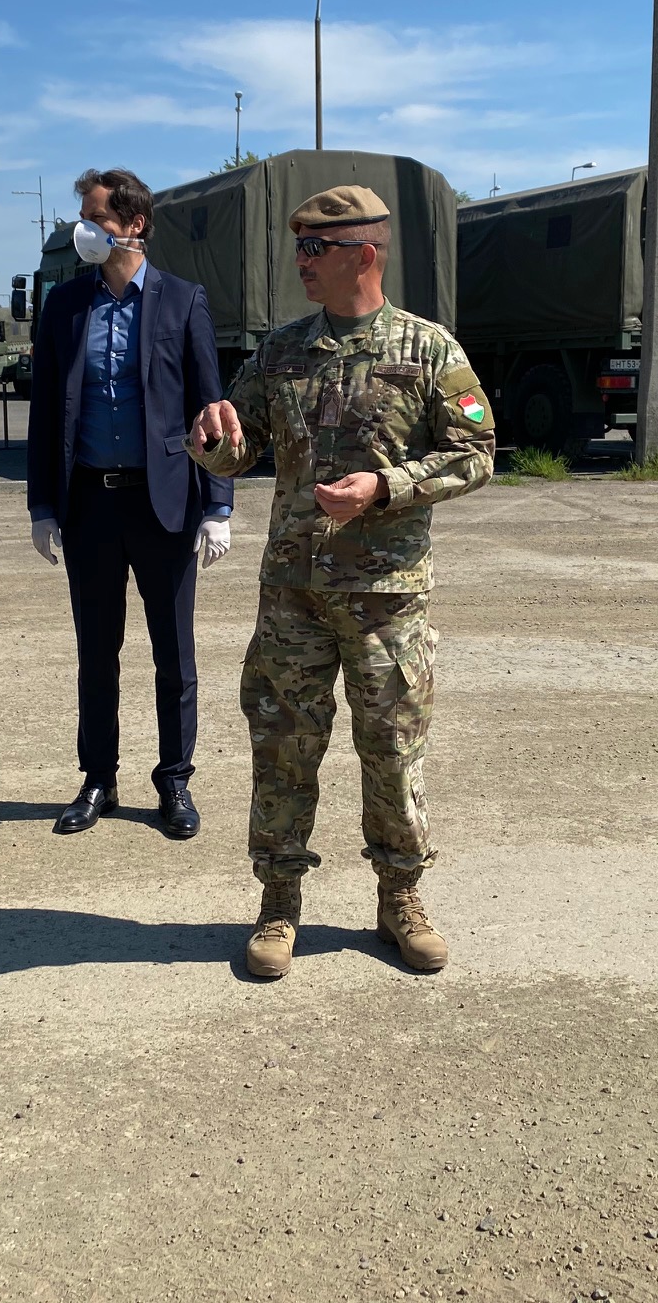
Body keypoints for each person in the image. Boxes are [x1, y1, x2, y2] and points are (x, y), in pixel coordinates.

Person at [188, 185, 495, 979]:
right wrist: (211, 441)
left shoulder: (428, 349)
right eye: (298, 246)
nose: (301, 261)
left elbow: (475, 454)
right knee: (283, 750)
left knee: (392, 751)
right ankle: (278, 903)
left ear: (364, 253)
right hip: (293, 593)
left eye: (315, 248)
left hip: (386, 595)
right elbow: (238, 447)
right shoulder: (281, 351)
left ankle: (400, 898)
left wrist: (387, 487)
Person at [26, 168, 233, 841]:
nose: (84, 228)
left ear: (134, 224)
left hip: (162, 503)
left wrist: (218, 504)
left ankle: (174, 779)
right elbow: (45, 413)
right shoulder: (65, 305)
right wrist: (42, 505)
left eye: (96, 217)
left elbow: (210, 406)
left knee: (174, 653)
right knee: (97, 651)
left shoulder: (182, 301)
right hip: (90, 503)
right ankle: (98, 777)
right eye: (83, 216)